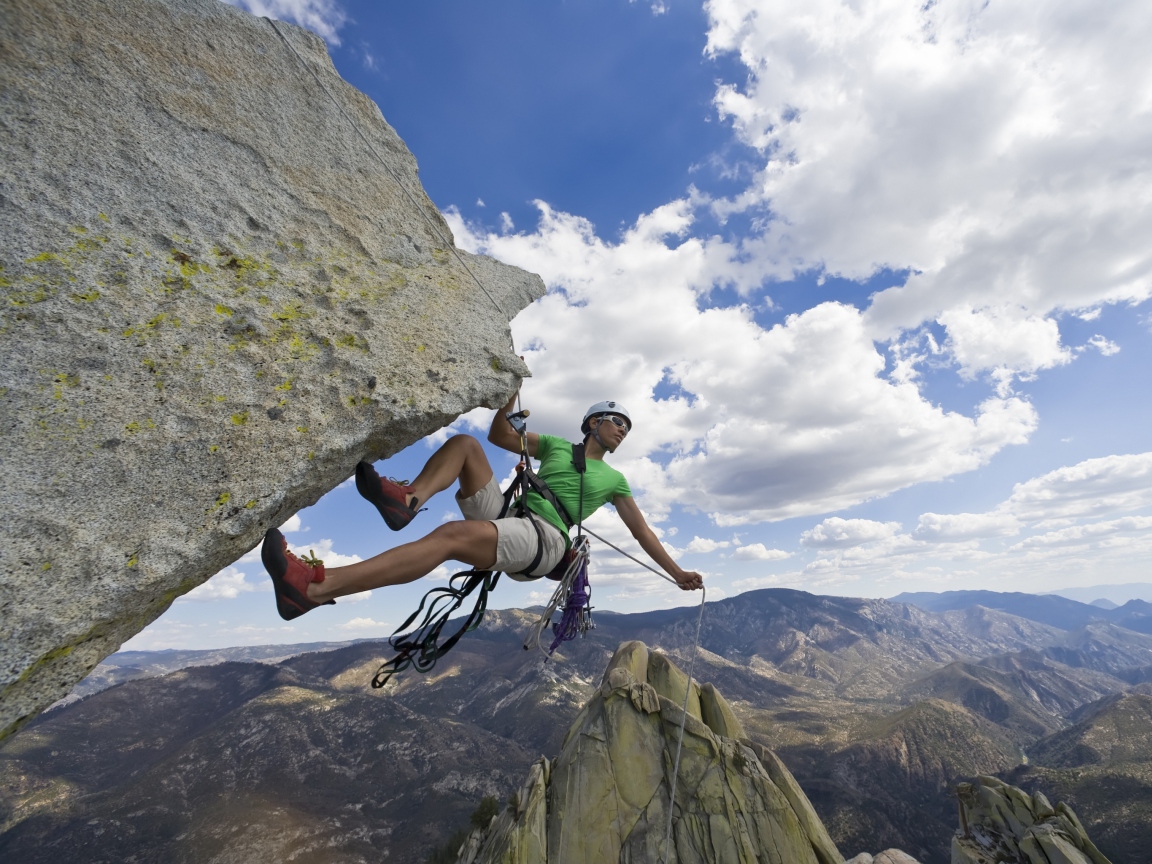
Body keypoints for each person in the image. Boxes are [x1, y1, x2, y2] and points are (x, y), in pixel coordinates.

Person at [261, 395, 704, 620]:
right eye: (617, 421)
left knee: (451, 537)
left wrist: (676, 572)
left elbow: (642, 532)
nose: (623, 430)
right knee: (467, 446)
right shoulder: (552, 446)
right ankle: (407, 501)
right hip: (512, 517)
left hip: (546, 539)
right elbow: (498, 436)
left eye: (628, 427)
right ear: (593, 423)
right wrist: (509, 398)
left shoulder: (615, 481)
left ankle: (315, 589)